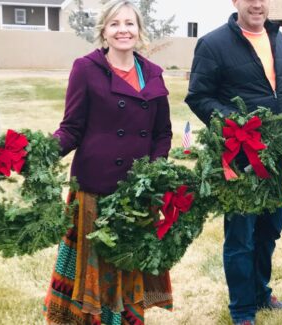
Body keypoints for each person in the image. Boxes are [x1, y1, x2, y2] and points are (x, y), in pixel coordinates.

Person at [43, 1, 173, 324]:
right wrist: (41, 152)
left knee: (128, 270)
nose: (123, 30)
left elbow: (163, 134)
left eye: (129, 24)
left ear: (139, 31)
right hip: (95, 190)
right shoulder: (86, 69)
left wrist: (152, 173)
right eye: (115, 24)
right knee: (94, 277)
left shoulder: (153, 75)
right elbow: (71, 128)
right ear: (103, 30)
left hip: (136, 195)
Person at [185, 0, 282, 324]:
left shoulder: (278, 39)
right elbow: (198, 97)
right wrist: (237, 122)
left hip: (279, 157)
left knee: (269, 230)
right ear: (235, 1)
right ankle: (241, 309)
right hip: (240, 158)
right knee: (241, 235)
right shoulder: (213, 44)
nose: (257, 3)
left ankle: (260, 294)